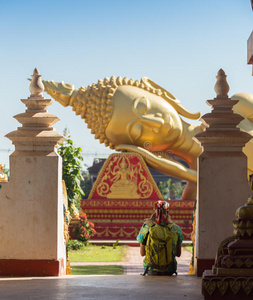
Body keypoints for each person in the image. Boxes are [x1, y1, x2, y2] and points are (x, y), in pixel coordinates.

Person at [137, 200, 183, 275]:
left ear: (154, 212)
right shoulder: (176, 229)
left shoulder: (147, 228)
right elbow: (178, 254)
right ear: (167, 212)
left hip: (151, 269)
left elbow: (142, 253)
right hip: (169, 270)